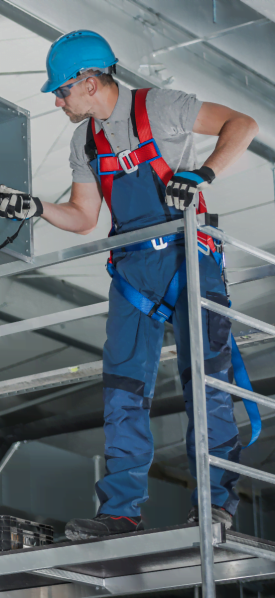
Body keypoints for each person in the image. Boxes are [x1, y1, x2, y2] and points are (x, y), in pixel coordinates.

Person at [0, 30, 259, 539]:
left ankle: (216, 505)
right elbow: (82, 216)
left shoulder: (159, 107)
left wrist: (204, 174)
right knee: (122, 391)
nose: (57, 99)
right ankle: (119, 512)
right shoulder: (85, 141)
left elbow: (242, 123)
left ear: (90, 82)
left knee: (204, 383)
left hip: (189, 260)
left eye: (62, 90)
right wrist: (34, 208)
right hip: (132, 274)